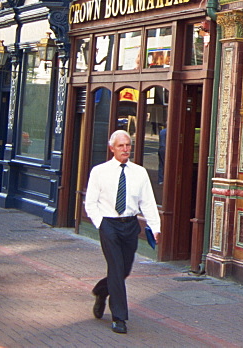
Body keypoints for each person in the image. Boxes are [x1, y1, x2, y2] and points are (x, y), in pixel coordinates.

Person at [84, 129, 160, 334]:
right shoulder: (99, 171)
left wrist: (156, 226)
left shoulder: (139, 172)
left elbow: (148, 202)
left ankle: (101, 292)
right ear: (112, 148)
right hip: (109, 224)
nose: (125, 149)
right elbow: (90, 203)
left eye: (128, 145)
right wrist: (101, 224)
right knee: (116, 268)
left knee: (124, 270)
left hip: (130, 225)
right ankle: (119, 317)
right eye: (121, 146)